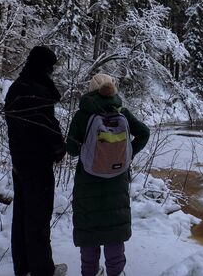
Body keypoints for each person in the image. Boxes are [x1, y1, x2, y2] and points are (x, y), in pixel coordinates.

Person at [66, 74, 150, 276]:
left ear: (90, 90)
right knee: (114, 231)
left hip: (88, 182)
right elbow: (144, 133)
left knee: (89, 232)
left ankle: (90, 272)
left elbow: (71, 148)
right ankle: (115, 272)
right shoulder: (122, 112)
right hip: (117, 179)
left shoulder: (82, 115)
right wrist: (126, 154)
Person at [4, 46, 68, 276]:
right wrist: (59, 150)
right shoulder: (37, 91)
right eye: (50, 66)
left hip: (19, 163)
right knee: (39, 219)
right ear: (44, 66)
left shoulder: (15, 88)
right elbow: (47, 127)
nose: (52, 71)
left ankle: (23, 268)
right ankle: (43, 271)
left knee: (22, 217)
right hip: (38, 165)